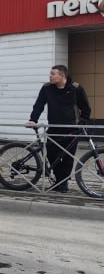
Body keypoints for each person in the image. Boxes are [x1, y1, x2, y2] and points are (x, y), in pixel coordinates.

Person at [26, 64, 91, 193]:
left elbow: (85, 108)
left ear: (62, 75)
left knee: (68, 157)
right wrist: (33, 119)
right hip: (53, 128)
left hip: (71, 129)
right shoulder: (47, 88)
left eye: (53, 74)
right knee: (52, 155)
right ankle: (59, 181)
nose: (50, 76)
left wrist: (83, 122)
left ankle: (63, 183)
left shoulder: (76, 88)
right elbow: (39, 105)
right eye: (50, 74)